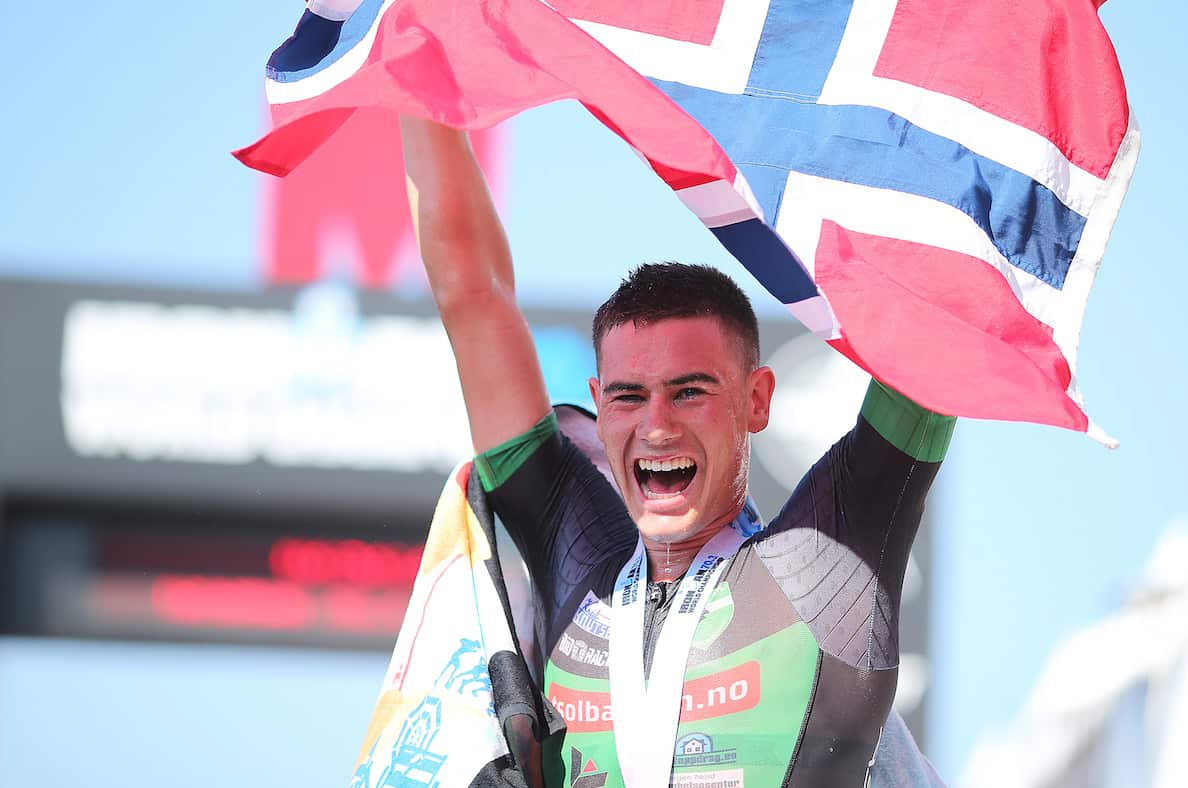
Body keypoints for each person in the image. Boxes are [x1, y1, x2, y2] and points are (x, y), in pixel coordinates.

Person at [401, 116, 954, 788]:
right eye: (630, 397)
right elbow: (471, 294)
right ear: (599, 408)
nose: (656, 426)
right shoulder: (572, 554)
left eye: (689, 392)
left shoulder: (824, 566)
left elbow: (940, 319)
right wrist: (410, 64)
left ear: (756, 400)